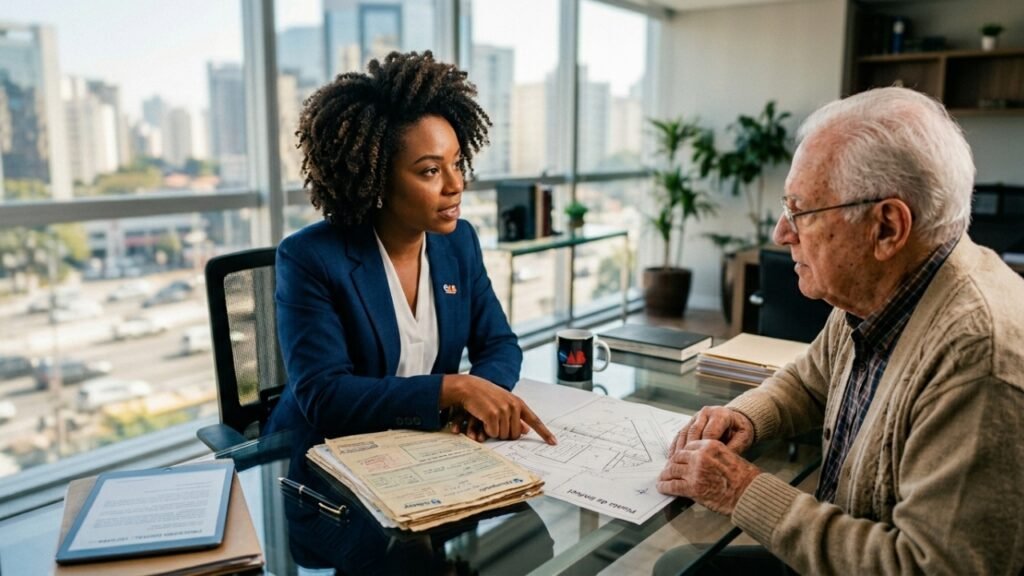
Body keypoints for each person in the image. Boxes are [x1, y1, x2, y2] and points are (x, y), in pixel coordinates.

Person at [657, 87, 1024, 574]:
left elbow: (927, 566)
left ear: (887, 228)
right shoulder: (884, 287)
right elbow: (810, 379)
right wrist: (744, 416)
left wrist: (743, 490)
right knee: (680, 568)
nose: (780, 234)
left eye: (800, 211)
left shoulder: (978, 358)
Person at [265, 51, 556, 448]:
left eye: (457, 163)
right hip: (324, 459)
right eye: (431, 171)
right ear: (377, 181)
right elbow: (325, 396)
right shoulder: (310, 257)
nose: (455, 185)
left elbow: (499, 344)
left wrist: (478, 399)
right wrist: (451, 390)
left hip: (424, 448)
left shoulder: (459, 242)